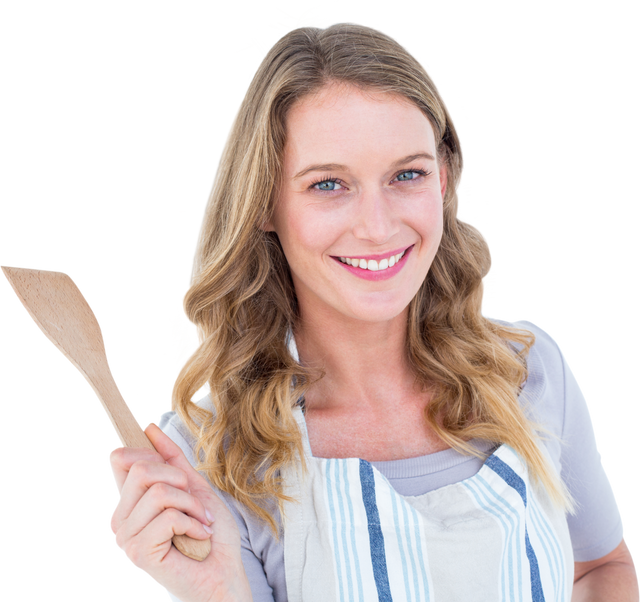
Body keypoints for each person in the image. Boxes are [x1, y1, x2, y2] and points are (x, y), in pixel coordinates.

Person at [105, 14, 637, 602]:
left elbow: (599, 569)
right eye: (328, 184)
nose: (379, 227)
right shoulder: (211, 457)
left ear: (443, 180)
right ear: (264, 204)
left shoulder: (529, 369)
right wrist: (211, 588)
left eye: (407, 174)